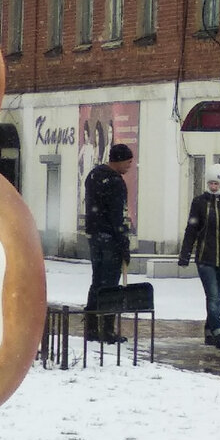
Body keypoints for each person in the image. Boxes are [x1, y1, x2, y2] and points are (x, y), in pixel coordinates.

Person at [177, 163, 220, 348]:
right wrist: (185, 254)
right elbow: (191, 229)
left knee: (218, 297)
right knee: (213, 296)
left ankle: (209, 330)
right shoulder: (199, 202)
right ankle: (218, 328)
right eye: (211, 183)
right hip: (205, 257)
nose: (213, 186)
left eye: (217, 183)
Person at [84, 143, 134, 342]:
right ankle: (107, 329)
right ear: (119, 160)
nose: (130, 166)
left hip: (95, 237)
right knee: (110, 284)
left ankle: (92, 327)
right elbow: (117, 216)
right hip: (110, 239)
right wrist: (123, 243)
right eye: (128, 162)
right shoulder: (115, 182)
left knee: (97, 282)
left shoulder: (94, 176)